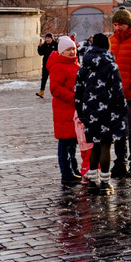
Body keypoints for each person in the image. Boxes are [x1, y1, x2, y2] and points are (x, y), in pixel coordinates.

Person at [75, 33, 126, 197]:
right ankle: (104, 182)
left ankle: (92, 182)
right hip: (108, 111)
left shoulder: (85, 65)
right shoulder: (111, 65)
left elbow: (78, 91)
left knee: (94, 146)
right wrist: (123, 109)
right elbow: (118, 91)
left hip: (89, 111)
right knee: (105, 145)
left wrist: (81, 112)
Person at [109, 9, 131, 178]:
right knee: (118, 130)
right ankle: (120, 162)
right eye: (115, 24)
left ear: (128, 23)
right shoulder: (112, 40)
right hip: (115, 94)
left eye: (120, 24)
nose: (117, 28)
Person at [46, 36, 80, 185]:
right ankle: (66, 173)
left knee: (73, 143)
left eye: (73, 48)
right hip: (64, 110)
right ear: (61, 52)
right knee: (65, 144)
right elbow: (55, 89)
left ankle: (74, 169)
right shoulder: (58, 66)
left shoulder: (75, 64)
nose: (72, 52)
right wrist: (74, 98)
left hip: (73, 111)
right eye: (68, 50)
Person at [36, 32, 57, 96]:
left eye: (48, 38)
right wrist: (39, 47)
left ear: (51, 38)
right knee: (44, 78)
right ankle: (41, 92)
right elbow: (41, 53)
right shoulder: (44, 45)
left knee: (54, 79)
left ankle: (56, 92)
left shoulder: (56, 44)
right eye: (46, 38)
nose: (47, 39)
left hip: (54, 65)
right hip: (46, 64)